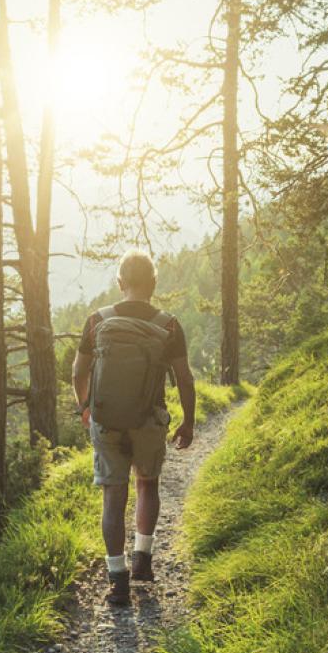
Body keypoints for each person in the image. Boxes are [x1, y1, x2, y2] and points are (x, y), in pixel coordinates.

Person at [71, 251, 195, 606]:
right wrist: (187, 420)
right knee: (147, 484)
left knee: (113, 496)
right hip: (149, 419)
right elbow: (184, 378)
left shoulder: (97, 320)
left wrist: (86, 407)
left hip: (106, 420)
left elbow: (79, 372)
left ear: (120, 283)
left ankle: (117, 580)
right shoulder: (168, 324)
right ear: (153, 284)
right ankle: (143, 559)